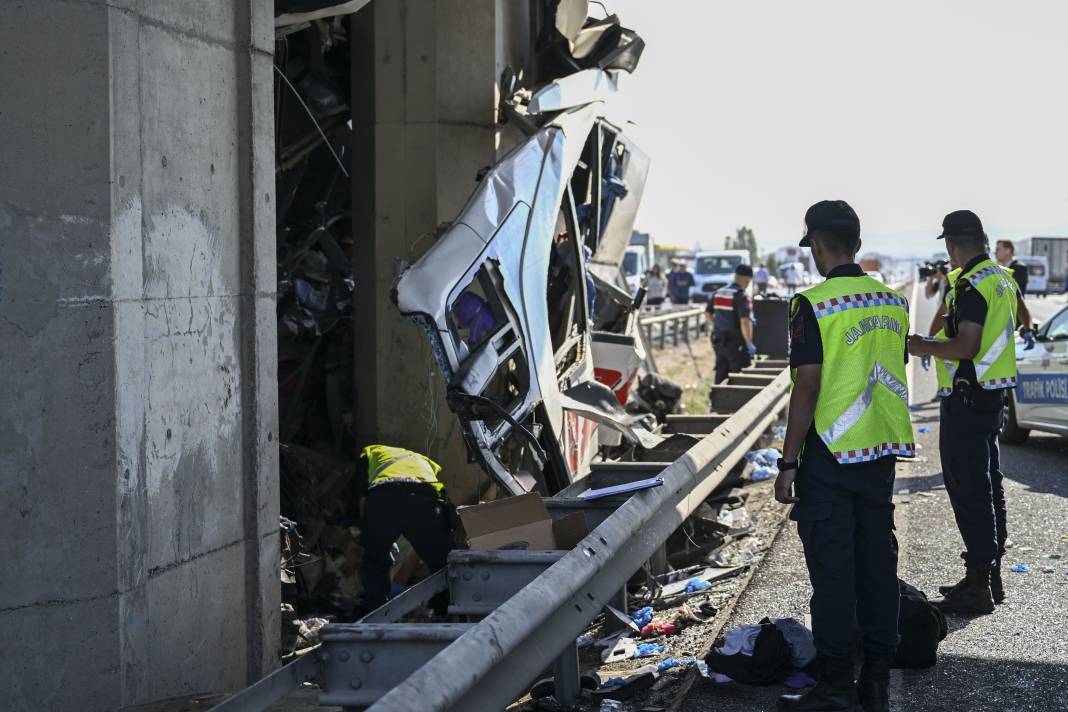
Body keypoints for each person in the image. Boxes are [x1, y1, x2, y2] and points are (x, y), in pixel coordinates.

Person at [774, 200, 912, 712]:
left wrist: (788, 462)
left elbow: (807, 386)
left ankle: (835, 687)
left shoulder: (812, 303)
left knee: (833, 576)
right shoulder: (892, 302)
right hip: (878, 454)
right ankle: (876, 681)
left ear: (816, 244)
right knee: (878, 567)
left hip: (829, 457)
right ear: (856, 241)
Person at [907, 211, 1035, 616]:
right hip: (991, 395)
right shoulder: (1002, 278)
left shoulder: (971, 284)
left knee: (969, 488)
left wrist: (922, 345)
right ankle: (989, 577)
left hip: (968, 393)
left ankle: (979, 584)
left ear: (951, 245)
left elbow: (966, 345)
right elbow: (1017, 323)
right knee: (989, 484)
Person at [357, 444, 455, 614]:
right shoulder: (427, 462)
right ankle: (445, 611)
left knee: (374, 561)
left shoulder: (371, 452)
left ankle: (375, 611)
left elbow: (362, 495)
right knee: (442, 565)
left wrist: (372, 533)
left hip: (383, 500)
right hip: (425, 503)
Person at [706, 264, 756, 386]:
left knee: (721, 373)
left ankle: (716, 402)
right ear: (747, 280)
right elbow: (745, 322)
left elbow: (707, 313)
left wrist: (718, 325)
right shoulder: (742, 296)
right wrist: (749, 342)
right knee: (738, 377)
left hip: (719, 341)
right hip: (736, 344)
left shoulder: (718, 293)